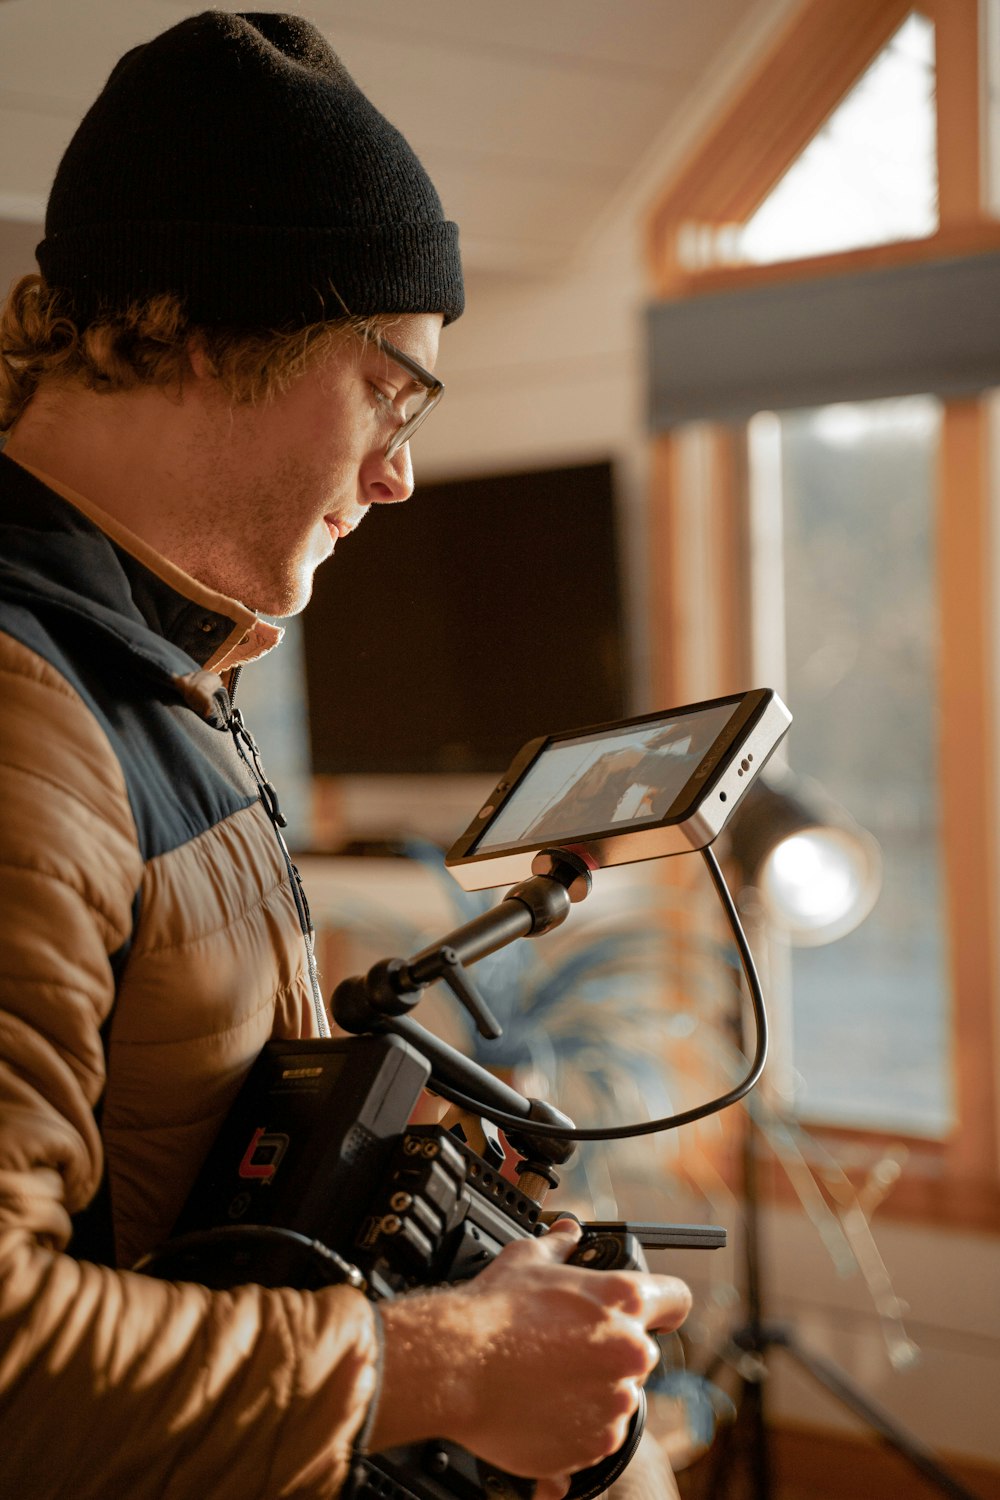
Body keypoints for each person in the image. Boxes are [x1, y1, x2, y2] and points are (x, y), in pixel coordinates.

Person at [0, 13, 692, 1499]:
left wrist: (437, 1242)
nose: (401, 471)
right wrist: (445, 1365)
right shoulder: (23, 709)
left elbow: (173, 1159)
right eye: (391, 389)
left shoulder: (156, 665)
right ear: (199, 329)